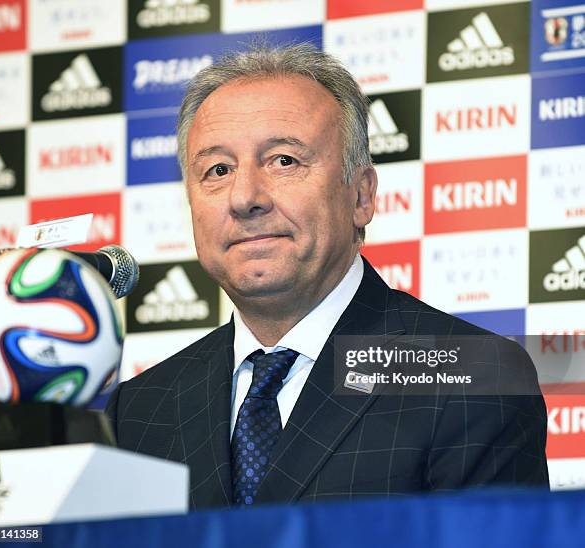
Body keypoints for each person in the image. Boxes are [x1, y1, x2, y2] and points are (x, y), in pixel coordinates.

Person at [106, 43, 549, 510]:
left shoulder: (472, 378)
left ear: (361, 196)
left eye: (283, 161)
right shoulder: (139, 409)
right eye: (218, 169)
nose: (244, 197)